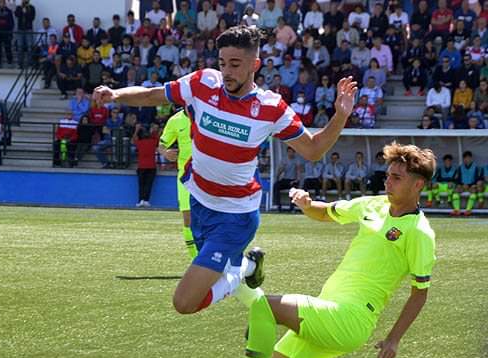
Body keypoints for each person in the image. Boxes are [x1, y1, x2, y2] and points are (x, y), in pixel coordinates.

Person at [93, 25, 357, 316]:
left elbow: (314, 149)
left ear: (254, 65)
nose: (226, 71)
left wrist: (341, 116)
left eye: (235, 64)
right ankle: (248, 265)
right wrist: (115, 94)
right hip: (199, 203)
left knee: (185, 302)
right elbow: (153, 95)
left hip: (235, 217)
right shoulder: (203, 83)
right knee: (212, 280)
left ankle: (242, 270)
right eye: (222, 63)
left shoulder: (271, 107)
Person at [209, 142, 437, 358]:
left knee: (264, 307)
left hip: (351, 319)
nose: (388, 182)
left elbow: (419, 293)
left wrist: (393, 339)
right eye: (388, 175)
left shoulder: (420, 232)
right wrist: (307, 205)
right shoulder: (372, 204)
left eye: (396, 178)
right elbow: (326, 211)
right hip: (328, 311)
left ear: (418, 185)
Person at [159, 109, 197, 259]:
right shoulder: (175, 120)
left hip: (208, 174)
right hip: (185, 177)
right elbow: (161, 145)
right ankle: (195, 259)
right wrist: (165, 153)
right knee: (188, 218)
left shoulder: (206, 113)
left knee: (212, 218)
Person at [133, 123, 160, 207]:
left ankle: (140, 200)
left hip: (141, 167)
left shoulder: (140, 143)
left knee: (141, 185)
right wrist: (154, 131)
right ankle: (146, 200)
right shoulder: (153, 142)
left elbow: (133, 139)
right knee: (149, 185)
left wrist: (136, 130)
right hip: (151, 167)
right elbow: (159, 138)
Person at [451, 150, 484, 216]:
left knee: (473, 191)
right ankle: (457, 210)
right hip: (463, 186)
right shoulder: (460, 167)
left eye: (468, 158)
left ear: (471, 158)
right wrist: (461, 185)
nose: (467, 159)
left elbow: (479, 178)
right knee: (455, 191)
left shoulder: (476, 167)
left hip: (472, 186)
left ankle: (468, 210)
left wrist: (473, 185)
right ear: (463, 159)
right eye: (465, 158)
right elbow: (456, 179)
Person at [273, 146, 302, 212]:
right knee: (276, 185)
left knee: (294, 189)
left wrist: (296, 180)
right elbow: (279, 171)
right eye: (289, 152)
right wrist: (277, 177)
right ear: (287, 152)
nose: (290, 153)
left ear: (294, 153)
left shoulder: (297, 160)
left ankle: (292, 208)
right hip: (285, 179)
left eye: (292, 152)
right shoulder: (284, 160)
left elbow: (298, 171)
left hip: (293, 180)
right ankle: (278, 207)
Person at [14, 0, 36, 68]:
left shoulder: (32, 8)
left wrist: (26, 11)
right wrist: (21, 9)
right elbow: (16, 15)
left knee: (29, 47)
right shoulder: (18, 7)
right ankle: (20, 63)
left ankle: (30, 63)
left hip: (28, 29)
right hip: (20, 30)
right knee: (20, 47)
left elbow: (32, 18)